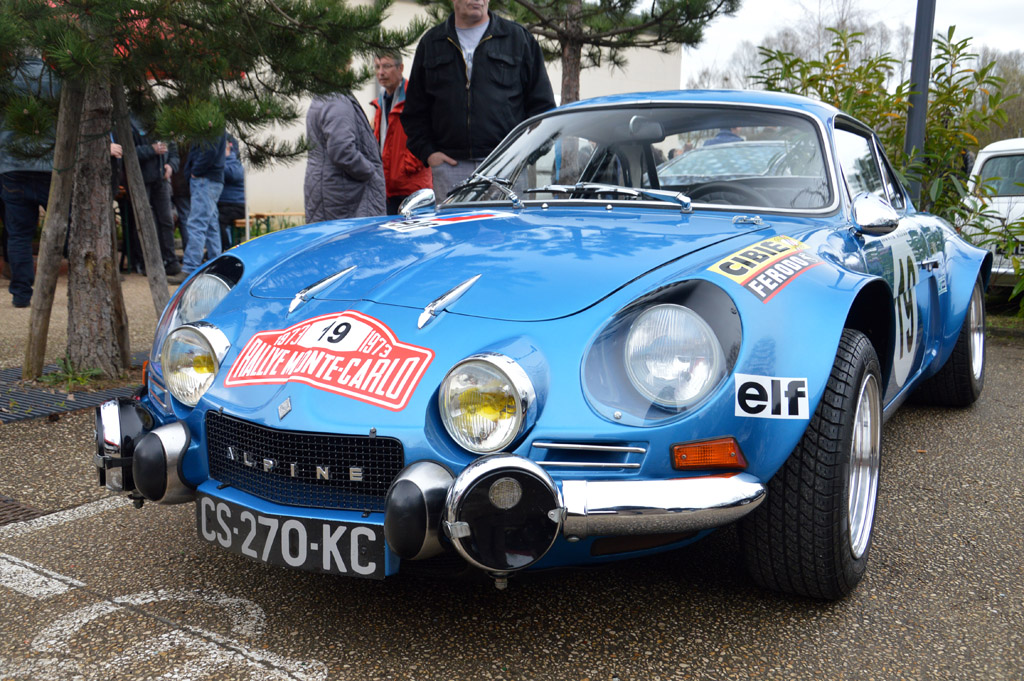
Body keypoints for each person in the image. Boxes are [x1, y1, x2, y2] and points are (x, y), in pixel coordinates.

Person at [401, 0, 555, 202]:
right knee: (455, 225)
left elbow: (543, 109)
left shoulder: (518, 39)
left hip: (507, 168)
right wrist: (430, 154)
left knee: (506, 225)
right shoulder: (432, 43)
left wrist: (523, 156)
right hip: (450, 169)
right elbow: (414, 112)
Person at [0, 55, 59, 308]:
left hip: (13, 164)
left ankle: (21, 294)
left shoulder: (6, 81)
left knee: (18, 235)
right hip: (51, 164)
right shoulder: (56, 81)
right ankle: (74, 285)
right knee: (64, 227)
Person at [303, 91, 385, 222]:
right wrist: (370, 171)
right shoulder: (337, 101)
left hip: (331, 189)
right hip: (343, 195)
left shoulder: (324, 96)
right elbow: (342, 150)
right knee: (352, 235)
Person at [370, 51, 432, 215]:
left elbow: (428, 132)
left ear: (401, 68)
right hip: (388, 188)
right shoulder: (380, 101)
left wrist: (408, 166)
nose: (381, 72)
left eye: (386, 66)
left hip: (412, 187)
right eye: (377, 67)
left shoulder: (414, 97)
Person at [169, 131, 226, 284]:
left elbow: (210, 151)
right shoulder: (216, 123)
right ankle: (217, 267)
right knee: (211, 225)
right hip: (210, 179)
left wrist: (196, 171)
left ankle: (190, 268)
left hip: (204, 179)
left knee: (197, 224)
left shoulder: (210, 123)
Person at [217, 135, 245, 249]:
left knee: (217, 220)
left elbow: (233, 175)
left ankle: (225, 248)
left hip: (236, 205)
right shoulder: (225, 161)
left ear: (228, 149)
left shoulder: (234, 162)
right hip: (224, 204)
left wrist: (217, 166)